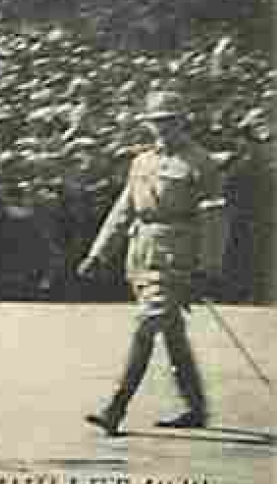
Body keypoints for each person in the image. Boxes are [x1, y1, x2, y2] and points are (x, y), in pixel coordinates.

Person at [77, 90, 227, 435]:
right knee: (170, 331)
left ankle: (115, 407)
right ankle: (195, 407)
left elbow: (215, 219)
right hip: (142, 252)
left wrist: (208, 267)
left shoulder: (201, 163)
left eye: (169, 122)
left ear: (182, 122)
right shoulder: (141, 161)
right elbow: (124, 208)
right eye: (156, 122)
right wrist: (99, 252)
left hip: (179, 255)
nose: (162, 129)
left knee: (147, 325)